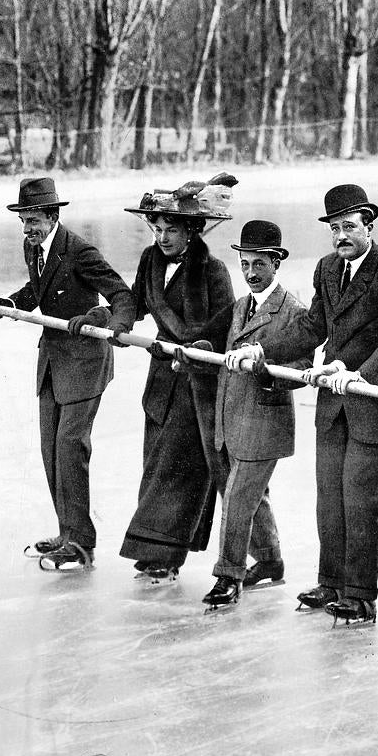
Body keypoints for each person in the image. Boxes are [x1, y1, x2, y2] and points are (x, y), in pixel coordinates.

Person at [280, 184, 378, 625]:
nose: (341, 236)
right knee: (328, 498)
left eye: (349, 227)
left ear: (369, 226)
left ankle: (360, 596)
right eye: (334, 228)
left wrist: (361, 375)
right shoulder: (326, 268)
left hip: (372, 402)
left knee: (360, 500)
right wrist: (265, 351)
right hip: (332, 402)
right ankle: (331, 582)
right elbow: (313, 325)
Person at [0, 176, 136, 570]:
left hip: (85, 363)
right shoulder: (32, 247)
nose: (27, 228)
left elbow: (123, 294)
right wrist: (11, 301)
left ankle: (82, 542)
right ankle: (67, 532)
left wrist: (109, 321)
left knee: (71, 447)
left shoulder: (80, 252)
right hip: (52, 361)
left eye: (33, 220)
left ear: (53, 216)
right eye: (24, 221)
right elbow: (38, 291)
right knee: (50, 450)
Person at [118, 176, 236, 583]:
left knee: (181, 470)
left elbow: (226, 324)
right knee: (155, 465)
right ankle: (153, 550)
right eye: (158, 228)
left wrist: (194, 345)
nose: (163, 237)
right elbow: (133, 304)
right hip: (160, 381)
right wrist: (106, 319)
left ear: (192, 230)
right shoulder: (150, 261)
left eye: (172, 229)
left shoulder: (213, 270)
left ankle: (165, 556)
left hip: (196, 380)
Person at [200, 220, 310, 609]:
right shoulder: (241, 306)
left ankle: (228, 575)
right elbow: (217, 342)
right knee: (252, 494)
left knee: (237, 496)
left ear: (277, 263)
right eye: (244, 264)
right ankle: (270, 561)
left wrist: (264, 369)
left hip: (265, 424)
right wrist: (190, 351)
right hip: (232, 419)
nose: (250, 273)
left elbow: (300, 370)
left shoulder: (294, 311)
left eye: (259, 264)